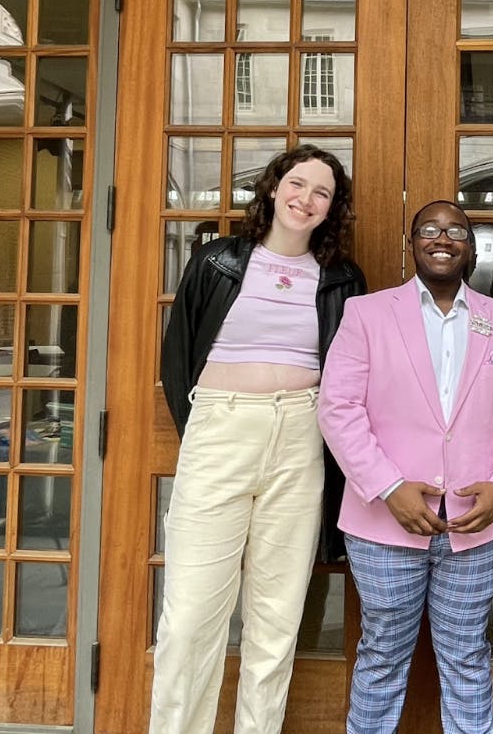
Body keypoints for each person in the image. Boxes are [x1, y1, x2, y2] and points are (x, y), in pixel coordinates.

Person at [152, 144, 366, 734]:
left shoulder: (343, 279)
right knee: (191, 616)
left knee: (276, 618)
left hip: (301, 436)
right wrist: (210, 423)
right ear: (274, 189)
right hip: (221, 428)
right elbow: (179, 359)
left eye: (321, 192)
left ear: (332, 209)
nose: (306, 199)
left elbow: (349, 370)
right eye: (297, 184)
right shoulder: (217, 261)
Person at [318, 200, 493, 734]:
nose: (441, 238)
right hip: (384, 525)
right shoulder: (367, 314)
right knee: (380, 656)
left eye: (456, 231)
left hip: (474, 522)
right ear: (412, 242)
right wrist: (387, 486)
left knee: (468, 654)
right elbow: (337, 407)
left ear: (472, 247)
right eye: (429, 229)